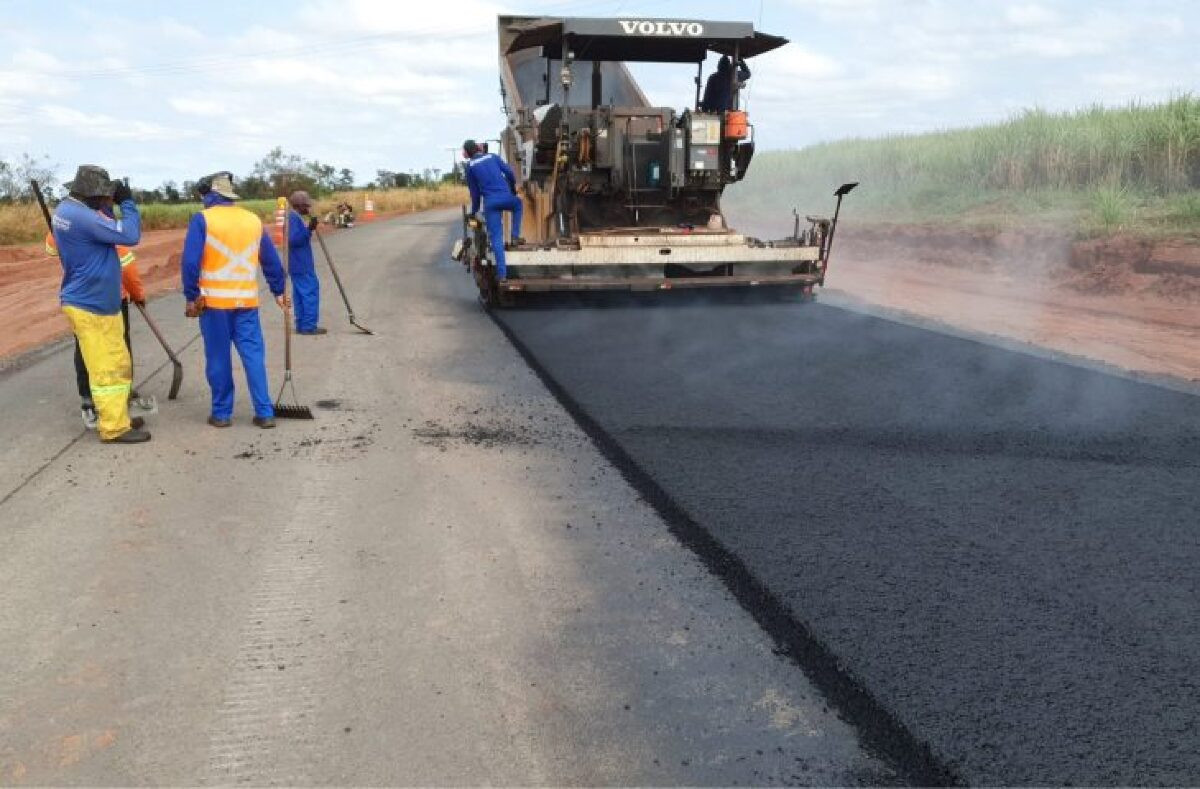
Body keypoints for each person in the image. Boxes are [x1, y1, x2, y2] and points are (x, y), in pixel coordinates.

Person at [180, 172, 288, 429]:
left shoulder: (203, 219)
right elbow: (271, 260)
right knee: (253, 356)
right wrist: (279, 290)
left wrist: (191, 295)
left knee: (218, 359)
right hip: (247, 303)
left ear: (211, 195)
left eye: (204, 195)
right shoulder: (252, 220)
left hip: (215, 306)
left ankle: (222, 414)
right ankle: (265, 412)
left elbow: (190, 261)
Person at [52, 164, 149, 443]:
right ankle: (114, 428)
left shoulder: (67, 210)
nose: (108, 199)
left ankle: (118, 416)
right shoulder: (83, 217)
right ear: (92, 195)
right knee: (106, 370)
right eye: (104, 195)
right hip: (91, 305)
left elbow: (104, 227)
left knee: (118, 363)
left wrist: (107, 206)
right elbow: (130, 236)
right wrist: (127, 203)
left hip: (95, 302)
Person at [46, 227, 151, 428]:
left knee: (85, 349)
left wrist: (58, 231)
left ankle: (90, 399)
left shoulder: (72, 226)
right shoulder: (106, 228)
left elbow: (50, 248)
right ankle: (115, 398)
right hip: (110, 300)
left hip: (80, 299)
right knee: (118, 348)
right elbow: (128, 271)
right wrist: (137, 295)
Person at [463, 139, 523, 280]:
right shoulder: (493, 157)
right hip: (506, 198)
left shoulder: (470, 167)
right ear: (478, 148)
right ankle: (515, 236)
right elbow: (509, 172)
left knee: (496, 237)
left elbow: (475, 193)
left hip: (490, 204)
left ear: (467, 153)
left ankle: (502, 274)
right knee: (518, 205)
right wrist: (513, 189)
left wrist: (474, 211)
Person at [287, 190, 325, 335]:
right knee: (310, 292)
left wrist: (309, 229)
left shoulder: (294, 217)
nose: (308, 209)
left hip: (298, 263)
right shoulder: (292, 218)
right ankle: (308, 326)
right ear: (300, 205)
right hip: (301, 264)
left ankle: (302, 325)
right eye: (306, 206)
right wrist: (308, 229)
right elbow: (293, 240)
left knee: (300, 294)